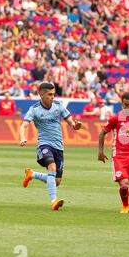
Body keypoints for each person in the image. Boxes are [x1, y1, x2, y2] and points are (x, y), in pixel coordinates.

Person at [19, 82, 82, 210]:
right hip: (44, 144)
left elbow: (71, 123)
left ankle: (31, 174)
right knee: (51, 168)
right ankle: (54, 201)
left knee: (56, 181)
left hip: (58, 147)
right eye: (50, 94)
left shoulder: (58, 106)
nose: (52, 97)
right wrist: (22, 137)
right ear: (41, 95)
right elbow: (24, 125)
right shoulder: (35, 109)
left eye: (53, 94)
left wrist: (75, 126)